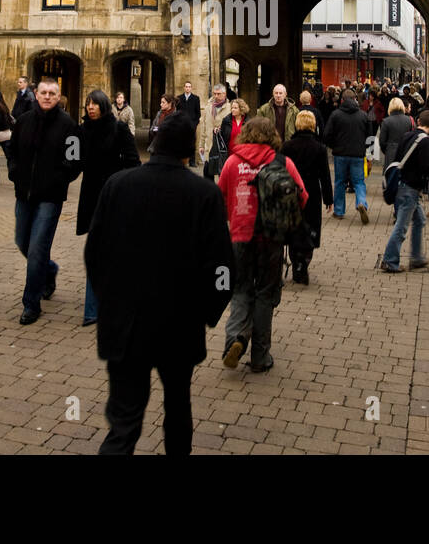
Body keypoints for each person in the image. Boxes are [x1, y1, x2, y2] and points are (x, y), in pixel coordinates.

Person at [84, 111, 234, 454]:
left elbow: (95, 252)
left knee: (123, 420)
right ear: (187, 150)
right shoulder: (203, 194)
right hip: (178, 325)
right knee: (178, 408)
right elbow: (223, 269)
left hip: (125, 323)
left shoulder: (117, 184)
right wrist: (207, 313)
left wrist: (108, 300)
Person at [217, 117, 308, 373]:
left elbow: (220, 196)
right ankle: (260, 356)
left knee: (241, 290)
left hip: (240, 236)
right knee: (265, 294)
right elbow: (303, 196)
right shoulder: (282, 162)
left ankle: (235, 338)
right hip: (272, 239)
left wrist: (233, 216)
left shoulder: (232, 162)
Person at [6, 79, 81, 325]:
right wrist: (14, 173)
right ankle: (49, 271)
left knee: (37, 248)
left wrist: (59, 180)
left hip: (50, 197)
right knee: (22, 242)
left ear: (58, 97)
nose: (47, 96)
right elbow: (12, 151)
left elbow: (75, 160)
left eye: (52, 93)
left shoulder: (69, 125)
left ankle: (31, 303)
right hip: (24, 193)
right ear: (36, 94)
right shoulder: (24, 121)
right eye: (43, 92)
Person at [76, 90, 140, 327]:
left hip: (115, 196)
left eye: (94, 103)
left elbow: (134, 162)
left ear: (103, 105)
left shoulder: (119, 129)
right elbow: (72, 160)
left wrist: (120, 181)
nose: (90, 107)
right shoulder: (81, 131)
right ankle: (92, 310)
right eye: (87, 103)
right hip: (92, 196)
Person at [381, 110, 429, 272]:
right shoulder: (426, 142)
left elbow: (398, 157)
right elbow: (425, 167)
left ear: (419, 122)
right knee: (402, 226)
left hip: (403, 184)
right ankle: (390, 260)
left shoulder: (407, 136)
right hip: (410, 188)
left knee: (420, 220)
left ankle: (417, 258)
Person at [281, 110, 332, 285]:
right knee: (310, 227)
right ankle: (304, 260)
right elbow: (325, 175)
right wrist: (329, 199)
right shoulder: (319, 148)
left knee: (294, 227)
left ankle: (296, 262)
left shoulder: (287, 146)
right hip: (312, 192)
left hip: (291, 191)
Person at [324, 90, 373, 223]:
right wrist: (368, 152)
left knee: (340, 182)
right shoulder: (363, 115)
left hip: (340, 154)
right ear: (355, 99)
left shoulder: (335, 115)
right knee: (359, 182)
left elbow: (327, 135)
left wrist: (334, 146)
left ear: (342, 100)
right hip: (358, 154)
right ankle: (361, 202)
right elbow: (371, 136)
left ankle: (339, 211)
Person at [198, 84, 232, 182]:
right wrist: (201, 145)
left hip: (223, 148)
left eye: (219, 94)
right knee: (207, 175)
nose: (216, 96)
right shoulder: (208, 107)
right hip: (209, 146)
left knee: (223, 175)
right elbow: (204, 127)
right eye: (214, 93)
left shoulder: (230, 108)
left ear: (224, 94)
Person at [209, 97, 248, 175]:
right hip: (228, 154)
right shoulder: (226, 120)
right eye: (232, 108)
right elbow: (222, 136)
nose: (232, 110)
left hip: (243, 155)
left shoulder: (248, 122)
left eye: (235, 108)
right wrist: (217, 131)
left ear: (241, 109)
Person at [377, 97, 415, 168]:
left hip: (391, 153)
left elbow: (382, 142)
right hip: (406, 152)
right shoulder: (409, 120)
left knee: (391, 176)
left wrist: (388, 150)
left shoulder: (386, 121)